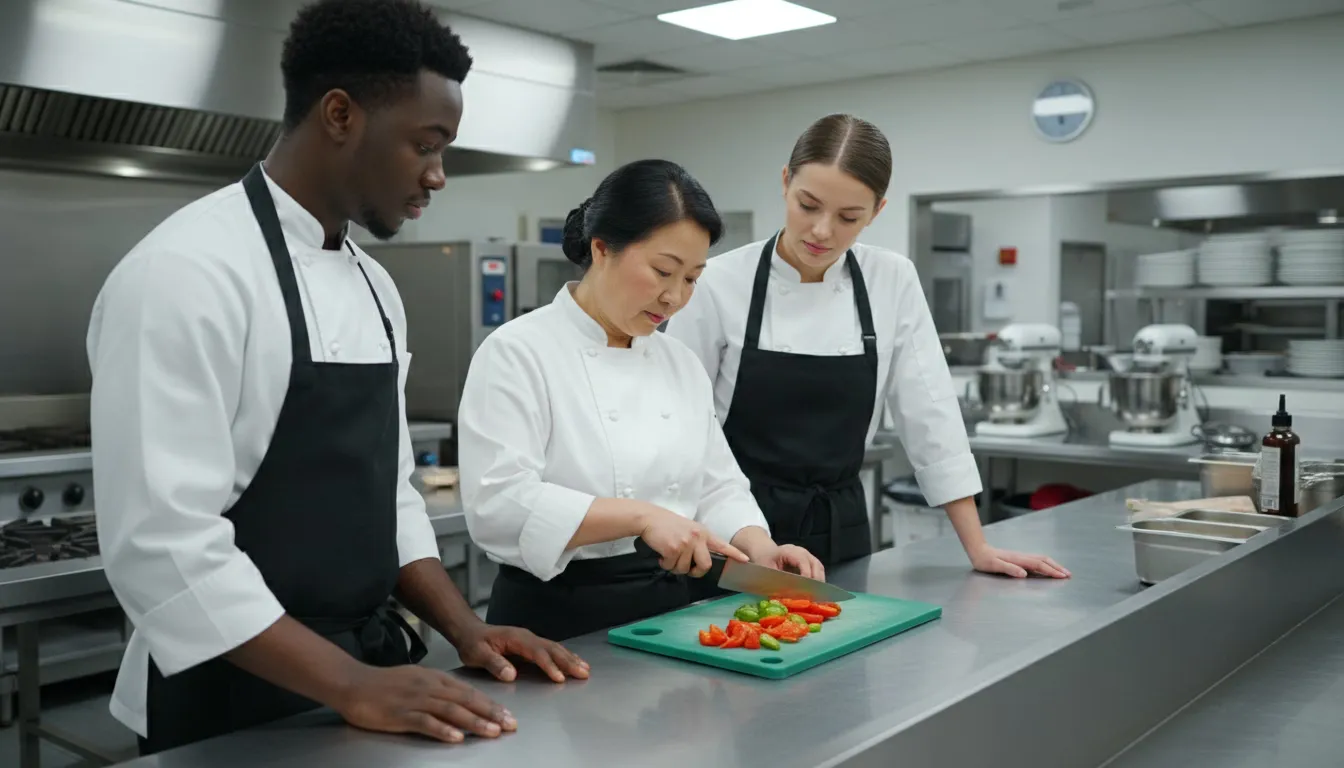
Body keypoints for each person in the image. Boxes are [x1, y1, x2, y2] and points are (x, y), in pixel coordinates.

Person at [87, 0, 586, 755]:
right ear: (341, 114)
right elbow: (164, 546)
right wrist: (347, 684)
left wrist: (466, 629)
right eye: (426, 144)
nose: (439, 174)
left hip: (362, 679)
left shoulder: (376, 289)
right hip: (227, 691)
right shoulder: (183, 273)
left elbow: (385, 492)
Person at [663, 114, 1070, 578]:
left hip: (843, 528)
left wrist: (977, 546)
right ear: (784, 182)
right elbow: (684, 428)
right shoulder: (717, 282)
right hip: (730, 532)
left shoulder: (891, 279)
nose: (822, 230)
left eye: (848, 217)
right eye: (808, 205)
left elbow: (930, 412)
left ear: (877, 211)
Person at [457, 159, 825, 642]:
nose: (674, 297)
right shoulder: (517, 352)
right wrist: (642, 517)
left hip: (668, 615)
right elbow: (498, 505)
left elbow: (716, 485)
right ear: (602, 248)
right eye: (662, 271)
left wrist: (758, 547)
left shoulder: (679, 362)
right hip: (555, 623)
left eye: (692, 278)